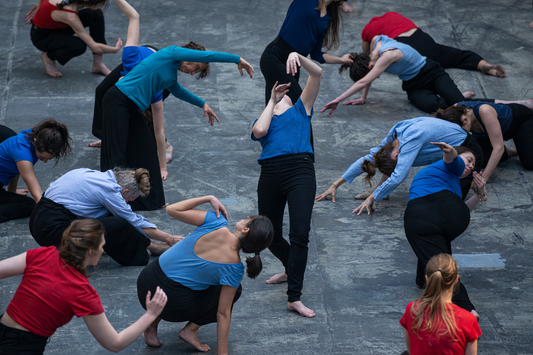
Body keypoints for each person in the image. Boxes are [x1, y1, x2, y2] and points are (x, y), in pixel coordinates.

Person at [100, 43, 254, 211]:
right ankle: (109, 201)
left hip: (131, 105)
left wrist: (202, 104)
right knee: (117, 154)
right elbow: (209, 55)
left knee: (147, 147)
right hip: (118, 100)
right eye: (196, 66)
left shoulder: (171, 74)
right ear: (191, 56)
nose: (193, 72)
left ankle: (152, 201)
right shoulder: (172, 53)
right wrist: (237, 59)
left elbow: (178, 91)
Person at [0, 219, 168, 354]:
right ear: (90, 251)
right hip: (22, 347)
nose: (102, 250)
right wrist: (150, 314)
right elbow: (114, 344)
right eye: (102, 246)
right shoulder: (82, 292)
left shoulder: (42, 254)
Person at [136, 195, 273, 352]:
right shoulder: (234, 269)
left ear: (246, 229)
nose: (246, 216)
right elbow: (223, 313)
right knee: (233, 289)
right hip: (171, 306)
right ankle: (190, 330)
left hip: (145, 285)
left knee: (186, 276)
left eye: (248, 218)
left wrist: (209, 198)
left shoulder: (216, 221)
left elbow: (171, 209)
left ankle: (152, 323)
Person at [252, 53, 322, 317]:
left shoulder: (301, 110)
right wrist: (271, 101)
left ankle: (294, 297)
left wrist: (298, 57)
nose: (285, 96)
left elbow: (317, 74)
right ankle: (291, 267)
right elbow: (259, 132)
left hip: (300, 171)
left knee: (299, 234)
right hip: (270, 173)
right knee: (267, 233)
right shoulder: (266, 119)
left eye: (287, 94)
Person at [315, 117, 483, 215]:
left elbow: (399, 175)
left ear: (397, 156)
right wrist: (335, 185)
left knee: (453, 208)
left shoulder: (410, 141)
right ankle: (381, 191)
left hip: (467, 152)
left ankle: (477, 185)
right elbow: (368, 159)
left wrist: (372, 197)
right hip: (450, 151)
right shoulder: (393, 137)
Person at [89, 0, 173, 180]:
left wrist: (162, 166)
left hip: (157, 72)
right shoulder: (130, 58)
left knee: (144, 115)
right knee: (102, 91)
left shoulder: (155, 90)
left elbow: (160, 129)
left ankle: (165, 146)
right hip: (141, 61)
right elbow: (134, 16)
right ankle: (107, 135)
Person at [29, 168, 180, 266]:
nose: (126, 203)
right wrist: (169, 238)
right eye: (128, 200)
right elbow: (134, 221)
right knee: (119, 222)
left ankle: (150, 245)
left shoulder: (97, 176)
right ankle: (152, 247)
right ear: (124, 191)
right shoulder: (110, 191)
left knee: (110, 213)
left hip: (38, 220)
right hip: (50, 231)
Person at [404, 142, 485, 314]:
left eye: (473, 165)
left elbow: (461, 209)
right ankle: (423, 279)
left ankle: (466, 308)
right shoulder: (448, 166)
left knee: (439, 262)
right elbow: (453, 160)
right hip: (439, 217)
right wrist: (451, 152)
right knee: (440, 254)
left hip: (425, 216)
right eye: (469, 160)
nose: (470, 166)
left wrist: (478, 194)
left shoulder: (451, 182)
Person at [321, 34, 484, 115]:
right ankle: (454, 96)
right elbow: (367, 78)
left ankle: (459, 96)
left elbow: (363, 82)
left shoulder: (388, 56)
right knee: (435, 107)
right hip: (413, 84)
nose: (376, 77)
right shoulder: (375, 45)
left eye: (374, 74)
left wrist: (337, 99)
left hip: (431, 72)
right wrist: (363, 98)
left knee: (461, 105)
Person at [260, 0, 352, 105]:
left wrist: (341, 60)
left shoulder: (326, 18)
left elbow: (317, 54)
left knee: (278, 110)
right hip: (274, 58)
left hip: (292, 68)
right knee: (299, 108)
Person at [361, 12, 505, 77]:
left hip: (404, 45)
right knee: (458, 55)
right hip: (423, 38)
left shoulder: (367, 29)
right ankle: (483, 65)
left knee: (396, 64)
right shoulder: (393, 14)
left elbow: (366, 53)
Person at [435, 101, 533, 189]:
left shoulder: (485, 111)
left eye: (462, 130)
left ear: (465, 119)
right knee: (477, 157)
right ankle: (511, 152)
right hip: (490, 132)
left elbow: (498, 148)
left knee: (529, 163)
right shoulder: (454, 110)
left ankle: (522, 146)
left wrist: (483, 180)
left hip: (520, 122)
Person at [400, 254, 482, 355]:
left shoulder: (412, 309)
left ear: (427, 279)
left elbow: (410, 350)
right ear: (456, 280)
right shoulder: (468, 320)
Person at [0, 119, 71, 223]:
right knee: (29, 205)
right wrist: (51, 219)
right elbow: (37, 193)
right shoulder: (22, 154)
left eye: (48, 158)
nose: (45, 161)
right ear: (36, 142)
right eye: (42, 157)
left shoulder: (34, 135)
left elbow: (16, 170)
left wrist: (12, 193)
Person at [27, 0, 122, 77]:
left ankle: (98, 64)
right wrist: (115, 50)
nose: (104, 3)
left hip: (59, 26)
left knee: (96, 14)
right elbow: (95, 47)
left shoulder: (72, 8)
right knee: (79, 46)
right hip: (43, 36)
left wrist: (39, 4)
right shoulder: (70, 16)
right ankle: (49, 57)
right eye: (101, 2)